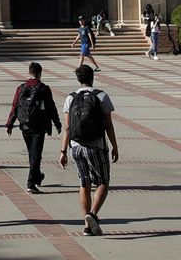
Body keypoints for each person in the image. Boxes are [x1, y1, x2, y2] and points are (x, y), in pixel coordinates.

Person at [59, 64, 119, 237]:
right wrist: (114, 146)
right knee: (103, 181)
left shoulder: (70, 97)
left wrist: (63, 151)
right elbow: (108, 124)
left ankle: (87, 226)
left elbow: (68, 127)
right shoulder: (101, 96)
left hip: (76, 147)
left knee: (83, 183)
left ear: (79, 79)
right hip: (96, 145)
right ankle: (92, 214)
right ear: (92, 77)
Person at [3, 60, 62, 193]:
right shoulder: (44, 89)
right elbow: (51, 107)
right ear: (40, 73)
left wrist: (10, 124)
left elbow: (15, 106)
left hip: (24, 126)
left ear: (29, 73)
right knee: (36, 154)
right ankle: (31, 183)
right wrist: (57, 123)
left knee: (33, 153)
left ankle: (37, 176)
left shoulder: (21, 88)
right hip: (39, 126)